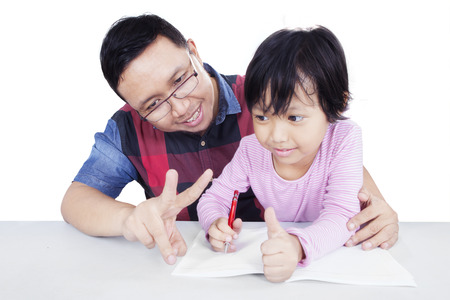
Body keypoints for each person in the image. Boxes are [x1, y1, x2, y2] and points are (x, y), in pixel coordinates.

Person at [60, 14, 399, 266]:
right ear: (134, 108)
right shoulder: (127, 129)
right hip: (191, 269)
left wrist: (376, 205)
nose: (180, 108)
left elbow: (330, 148)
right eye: (153, 104)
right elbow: (76, 199)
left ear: (193, 51)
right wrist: (128, 219)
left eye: (180, 79)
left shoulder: (267, 95)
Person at [198, 26, 368, 282]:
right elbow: (213, 199)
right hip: (277, 258)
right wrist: (215, 223)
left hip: (338, 264)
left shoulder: (344, 139)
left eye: (294, 117)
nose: (276, 135)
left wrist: (297, 246)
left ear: (337, 103)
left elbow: (343, 215)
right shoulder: (251, 150)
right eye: (262, 116)